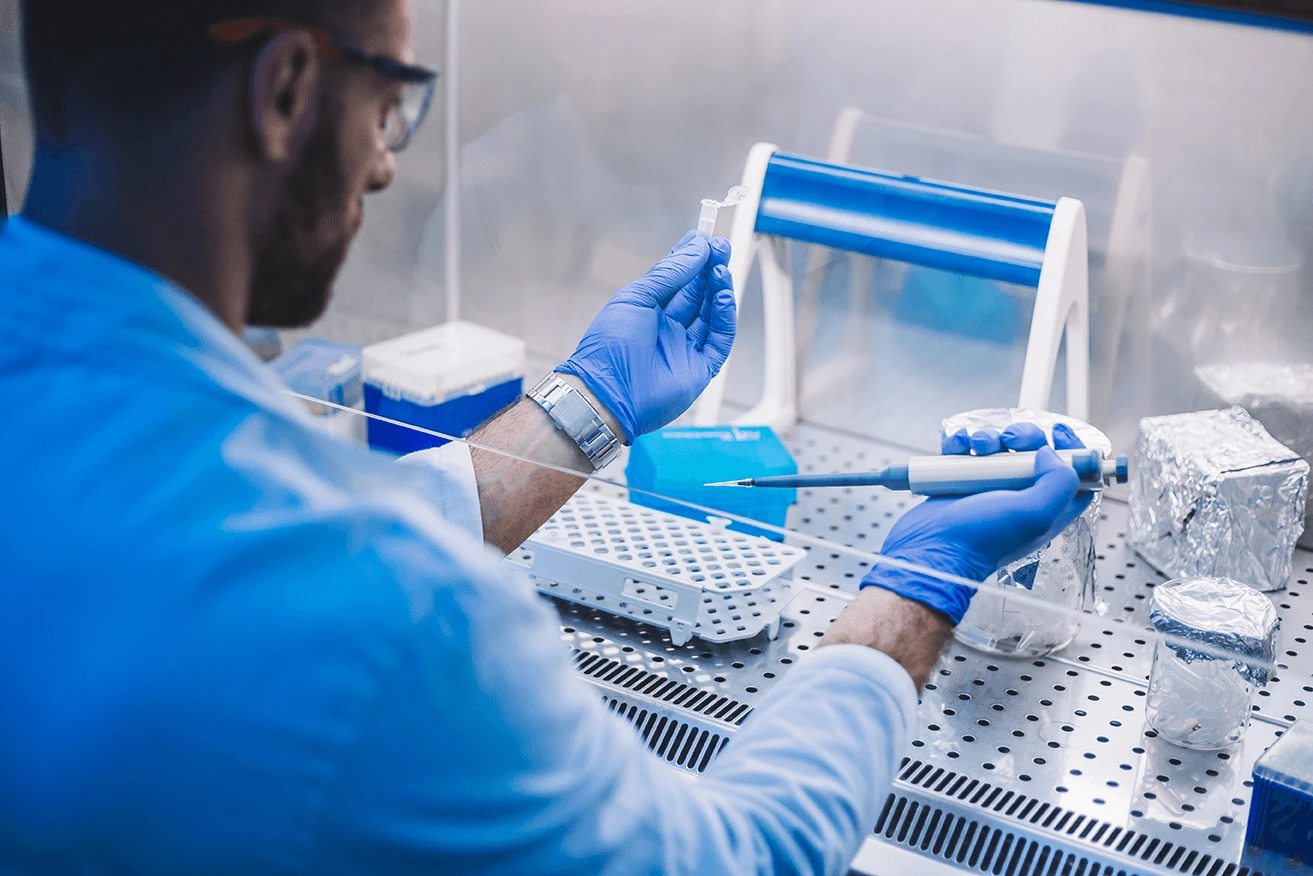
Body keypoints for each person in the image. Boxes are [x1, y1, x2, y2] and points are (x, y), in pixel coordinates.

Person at [0, 1, 1089, 873]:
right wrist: (916, 581)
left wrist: (586, 407)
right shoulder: (398, 624)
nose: (384, 167)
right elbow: (737, 857)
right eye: (389, 107)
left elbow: (246, 526)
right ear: (284, 88)